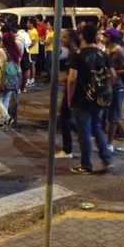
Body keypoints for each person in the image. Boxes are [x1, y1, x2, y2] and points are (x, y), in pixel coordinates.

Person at [68, 23, 114, 174]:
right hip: (100, 98)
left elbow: (72, 79)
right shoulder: (103, 54)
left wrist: (70, 98)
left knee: (84, 132)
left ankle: (86, 165)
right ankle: (107, 159)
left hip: (83, 98)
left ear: (81, 36)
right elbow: (112, 75)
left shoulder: (79, 55)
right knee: (97, 127)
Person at [0, 29, 21, 129]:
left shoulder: (0, 51)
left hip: (1, 78)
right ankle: (1, 122)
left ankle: (6, 116)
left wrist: (0, 46)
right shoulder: (16, 51)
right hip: (11, 79)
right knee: (5, 100)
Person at [55, 29, 79, 159]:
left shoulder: (75, 54)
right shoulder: (72, 53)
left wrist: (70, 98)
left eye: (64, 37)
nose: (61, 39)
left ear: (71, 39)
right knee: (69, 119)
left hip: (73, 92)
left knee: (65, 119)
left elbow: (73, 77)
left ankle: (67, 150)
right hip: (71, 91)